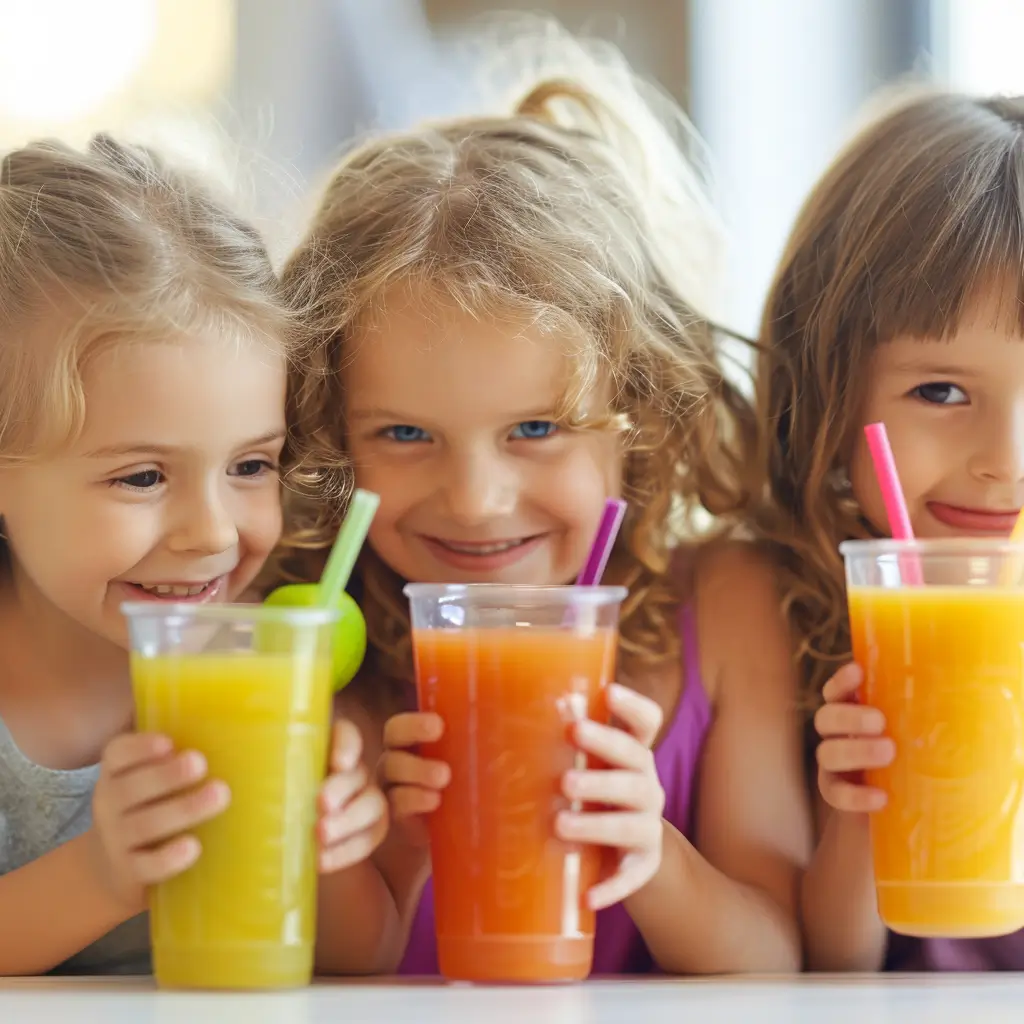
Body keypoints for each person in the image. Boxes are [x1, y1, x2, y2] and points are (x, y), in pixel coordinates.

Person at [273, 17, 811, 976]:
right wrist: (380, 846)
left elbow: (772, 956)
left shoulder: (727, 609)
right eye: (404, 434)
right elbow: (353, 973)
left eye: (534, 430)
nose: (476, 501)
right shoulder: (334, 641)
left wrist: (650, 854)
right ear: (328, 431)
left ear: (636, 413)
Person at [0, 134, 384, 976]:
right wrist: (102, 875)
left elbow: (367, 960)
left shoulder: (264, 674)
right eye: (141, 476)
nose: (212, 533)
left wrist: (335, 852)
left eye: (251, 466)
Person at [747, 88, 1024, 971]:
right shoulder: (772, 627)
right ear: (828, 387)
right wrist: (862, 811)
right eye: (940, 392)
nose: (1006, 459)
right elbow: (837, 965)